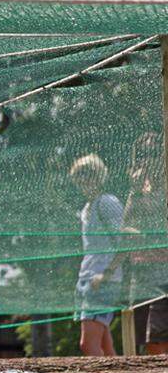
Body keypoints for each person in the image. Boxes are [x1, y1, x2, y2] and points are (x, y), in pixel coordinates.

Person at [69, 154, 123, 356]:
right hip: (87, 279)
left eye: (88, 174)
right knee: (104, 347)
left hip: (103, 281)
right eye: (80, 176)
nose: (83, 180)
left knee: (88, 345)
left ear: (98, 175)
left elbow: (124, 242)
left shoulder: (107, 202)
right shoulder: (86, 209)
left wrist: (106, 274)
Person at [123, 132, 168, 355]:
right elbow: (125, 228)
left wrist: (148, 237)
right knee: (139, 337)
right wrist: (135, 191)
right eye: (141, 155)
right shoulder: (138, 190)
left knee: (157, 337)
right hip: (139, 270)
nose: (146, 160)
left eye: (151, 154)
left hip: (164, 270)